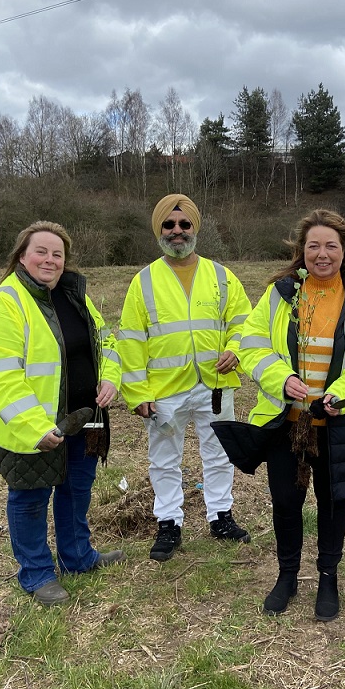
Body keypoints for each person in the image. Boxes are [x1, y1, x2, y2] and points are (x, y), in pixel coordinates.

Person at [237, 209, 345, 621]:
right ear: (301, 251)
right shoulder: (281, 292)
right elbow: (251, 344)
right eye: (314, 246)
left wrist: (343, 392)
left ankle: (328, 577)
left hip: (338, 425)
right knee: (286, 502)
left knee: (332, 503)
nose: (322, 254)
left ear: (344, 250)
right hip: (287, 424)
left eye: (331, 246)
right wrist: (281, 378)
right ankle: (287, 576)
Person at [0, 221, 125, 607]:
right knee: (30, 497)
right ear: (22, 256)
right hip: (33, 426)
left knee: (76, 489)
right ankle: (36, 573)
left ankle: (78, 558)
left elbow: (105, 341)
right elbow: (0, 377)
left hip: (85, 415)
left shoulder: (75, 295)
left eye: (58, 254)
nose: (50, 260)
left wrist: (110, 378)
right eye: (41, 251)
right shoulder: (3, 305)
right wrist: (34, 427)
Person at [117, 193, 252, 562]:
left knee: (221, 453)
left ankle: (221, 517)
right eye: (169, 225)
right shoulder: (143, 282)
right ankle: (169, 524)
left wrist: (236, 350)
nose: (177, 231)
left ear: (195, 228)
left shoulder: (222, 277)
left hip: (215, 386)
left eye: (184, 224)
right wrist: (137, 392)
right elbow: (130, 341)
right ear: (159, 231)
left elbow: (244, 322)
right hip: (164, 392)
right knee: (163, 459)